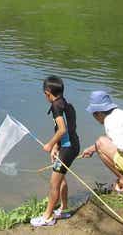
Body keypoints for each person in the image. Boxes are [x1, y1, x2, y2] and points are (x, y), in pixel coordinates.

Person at [30, 76, 80, 228]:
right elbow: (67, 129)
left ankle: (47, 217)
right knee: (61, 179)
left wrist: (49, 144)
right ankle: (64, 209)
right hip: (70, 146)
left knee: (53, 184)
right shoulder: (65, 103)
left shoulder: (56, 106)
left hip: (68, 148)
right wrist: (56, 147)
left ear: (47, 93)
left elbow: (63, 129)